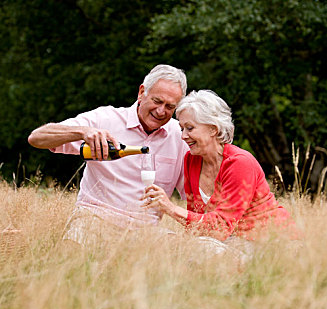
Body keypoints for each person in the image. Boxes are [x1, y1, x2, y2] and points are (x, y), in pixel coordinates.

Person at [28, 64, 189, 244]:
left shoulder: (181, 136)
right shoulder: (105, 119)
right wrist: (81, 132)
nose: (161, 111)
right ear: (141, 92)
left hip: (146, 232)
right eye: (157, 101)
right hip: (94, 220)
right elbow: (37, 138)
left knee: (202, 251)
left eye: (169, 106)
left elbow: (195, 197)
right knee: (76, 246)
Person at [142, 90, 295, 244]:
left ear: (213, 129)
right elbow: (194, 221)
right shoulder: (191, 159)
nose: (183, 136)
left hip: (269, 243)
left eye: (190, 128)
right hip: (229, 242)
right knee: (159, 236)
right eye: (182, 129)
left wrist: (170, 208)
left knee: (205, 248)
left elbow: (220, 228)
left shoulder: (239, 163)